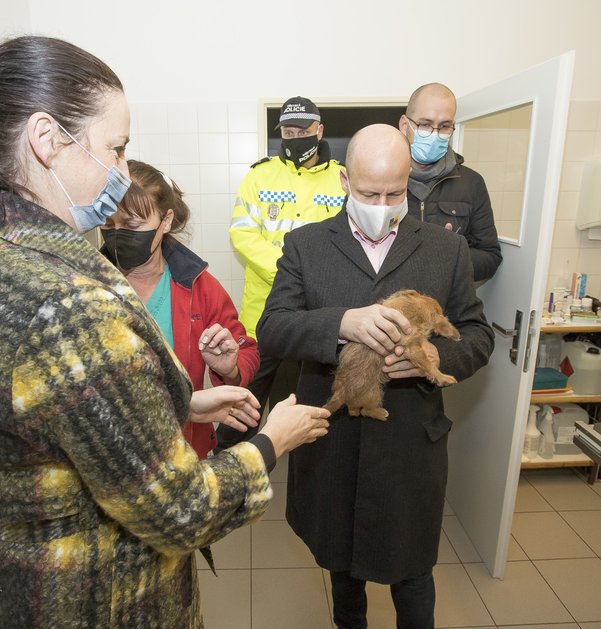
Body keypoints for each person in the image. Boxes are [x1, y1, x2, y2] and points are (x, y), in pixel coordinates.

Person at [0, 36, 329, 628]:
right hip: (95, 602)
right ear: (46, 140)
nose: (122, 175)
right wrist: (274, 439)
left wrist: (185, 401)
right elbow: (182, 512)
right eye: (115, 150)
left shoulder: (0, 251)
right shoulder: (67, 300)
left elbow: (54, 412)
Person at [257, 124, 495, 629]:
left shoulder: (445, 249)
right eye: (369, 192)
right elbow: (272, 329)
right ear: (345, 180)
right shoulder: (306, 245)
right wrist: (340, 323)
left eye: (395, 192)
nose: (383, 204)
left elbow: (476, 334)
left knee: (413, 576)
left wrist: (433, 359)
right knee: (343, 576)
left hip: (409, 445)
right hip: (334, 442)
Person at [102, 160, 259, 459]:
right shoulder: (87, 283)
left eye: (133, 226)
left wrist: (230, 368)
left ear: (166, 220)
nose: (119, 235)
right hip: (111, 458)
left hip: (186, 452)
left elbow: (246, 349)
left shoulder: (198, 286)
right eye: (110, 226)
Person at [222, 96, 345, 448]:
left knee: (307, 409)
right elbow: (243, 234)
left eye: (302, 131)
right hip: (262, 316)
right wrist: (292, 272)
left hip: (315, 318)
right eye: (288, 132)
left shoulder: (342, 180)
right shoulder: (259, 176)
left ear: (319, 131)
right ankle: (228, 470)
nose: (294, 137)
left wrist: (312, 280)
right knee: (243, 406)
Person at [399, 83, 502, 282]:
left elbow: (490, 257)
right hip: (391, 307)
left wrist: (450, 254)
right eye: (425, 124)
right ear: (405, 125)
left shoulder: (471, 184)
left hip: (448, 309)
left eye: (444, 126)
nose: (435, 133)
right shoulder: (381, 180)